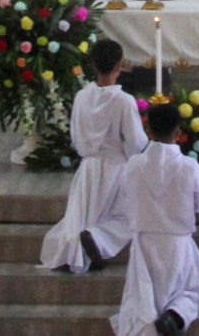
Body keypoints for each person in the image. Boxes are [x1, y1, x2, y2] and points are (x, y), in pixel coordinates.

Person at [42, 38, 145, 274]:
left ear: (93, 65)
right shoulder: (123, 100)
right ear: (119, 66)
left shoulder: (82, 96)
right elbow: (136, 141)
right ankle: (98, 240)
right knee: (131, 216)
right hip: (116, 168)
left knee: (82, 217)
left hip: (87, 169)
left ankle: (77, 247)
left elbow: (76, 136)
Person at [116, 101, 199, 336]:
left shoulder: (134, 164)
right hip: (177, 243)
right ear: (179, 133)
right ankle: (175, 315)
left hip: (143, 243)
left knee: (142, 300)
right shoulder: (188, 167)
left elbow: (125, 196)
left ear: (148, 131)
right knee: (192, 291)